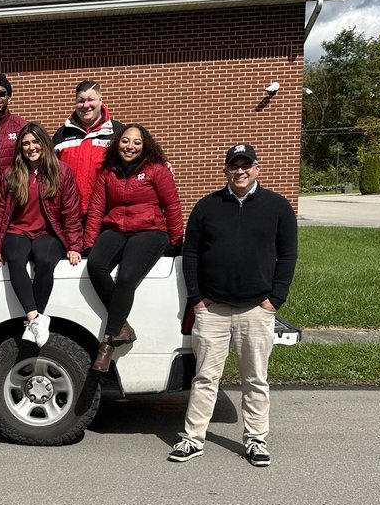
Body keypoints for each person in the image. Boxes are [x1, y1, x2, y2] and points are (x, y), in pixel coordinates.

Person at [168, 143, 298, 467]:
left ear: (257, 169)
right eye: (234, 166)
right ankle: (192, 439)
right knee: (205, 379)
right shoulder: (207, 207)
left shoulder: (278, 207)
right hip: (212, 310)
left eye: (246, 165)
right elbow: (192, 255)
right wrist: (197, 299)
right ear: (226, 170)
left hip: (256, 309)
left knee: (255, 379)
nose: (240, 171)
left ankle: (256, 440)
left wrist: (275, 299)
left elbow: (288, 256)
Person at [84, 123, 184, 371]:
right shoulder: (108, 173)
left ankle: (107, 342)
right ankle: (122, 326)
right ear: (117, 143)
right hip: (116, 227)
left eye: (137, 142)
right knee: (96, 265)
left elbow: (171, 206)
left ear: (144, 146)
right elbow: (96, 208)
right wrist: (88, 243)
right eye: (126, 141)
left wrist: (176, 241)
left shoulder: (156, 170)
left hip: (150, 230)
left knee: (127, 276)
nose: (130, 146)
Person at [0, 122, 82, 347]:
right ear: (20, 147)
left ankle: (34, 322)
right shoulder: (11, 175)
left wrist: (74, 245)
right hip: (17, 230)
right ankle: (34, 318)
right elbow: (0, 213)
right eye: (26, 143)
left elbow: (71, 211)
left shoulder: (62, 171)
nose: (31, 147)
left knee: (45, 260)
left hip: (48, 232)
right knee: (17, 260)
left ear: (44, 143)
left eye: (35, 141)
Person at [52, 79, 124, 219]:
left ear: (100, 100)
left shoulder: (118, 131)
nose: (85, 105)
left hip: (106, 214)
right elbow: (47, 168)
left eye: (90, 100)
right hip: (69, 213)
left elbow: (139, 155)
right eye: (80, 101)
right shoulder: (61, 134)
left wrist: (162, 161)